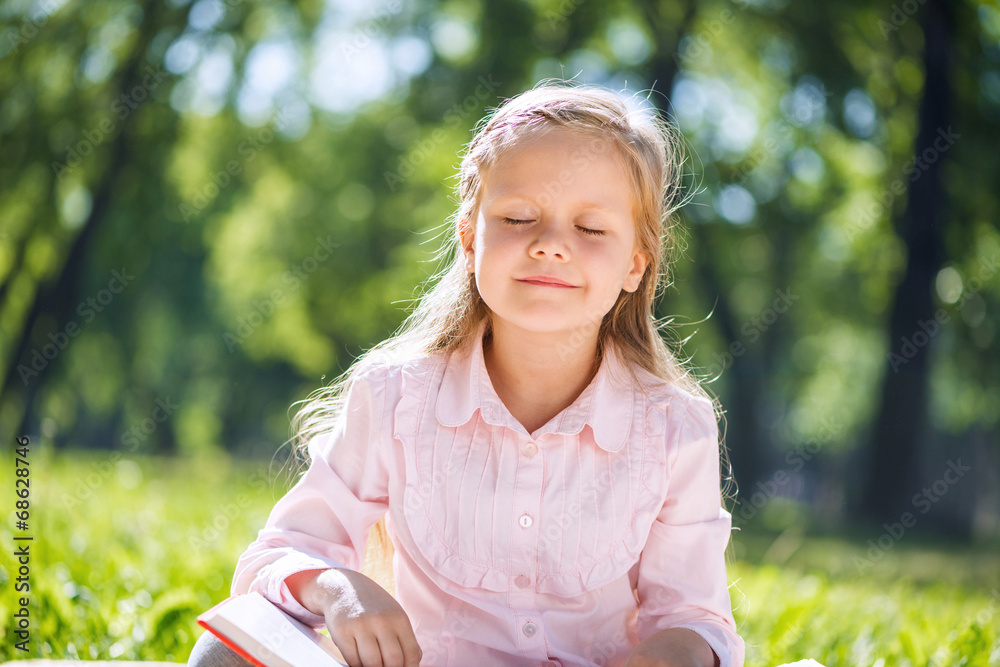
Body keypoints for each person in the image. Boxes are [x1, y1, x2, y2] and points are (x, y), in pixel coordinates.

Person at [188, 80, 745, 667]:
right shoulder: (395, 396)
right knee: (220, 654)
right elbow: (276, 556)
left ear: (636, 263)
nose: (551, 245)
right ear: (469, 237)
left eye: (590, 228)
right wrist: (339, 590)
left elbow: (695, 619)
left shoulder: (674, 427)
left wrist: (664, 658)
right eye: (518, 216)